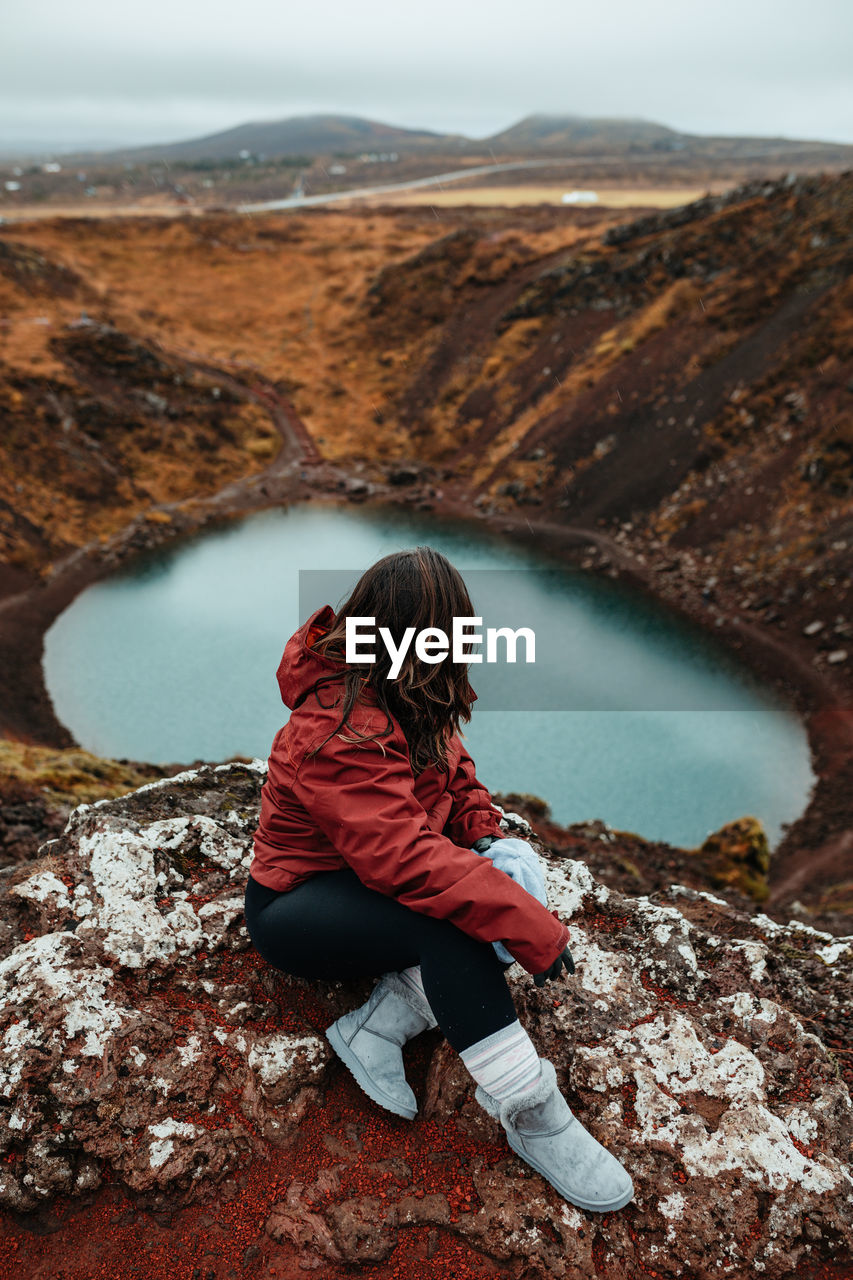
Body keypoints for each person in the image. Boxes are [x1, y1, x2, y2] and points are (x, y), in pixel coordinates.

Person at [244, 546, 633, 1214]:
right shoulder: (338, 724)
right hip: (297, 905)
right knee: (455, 921)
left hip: (363, 886)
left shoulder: (407, 688)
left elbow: (453, 770)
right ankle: (531, 1114)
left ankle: (378, 1027)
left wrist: (489, 837)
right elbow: (401, 859)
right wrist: (522, 920)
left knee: (479, 893)